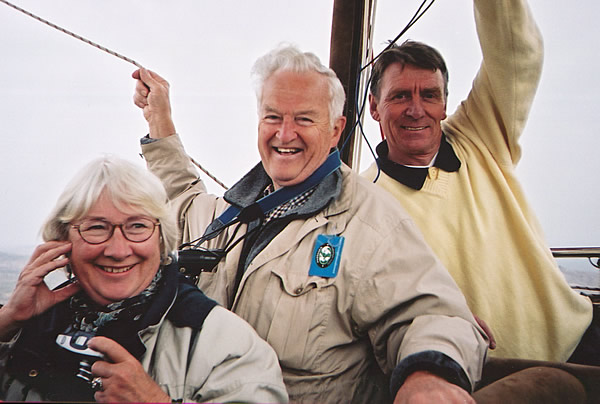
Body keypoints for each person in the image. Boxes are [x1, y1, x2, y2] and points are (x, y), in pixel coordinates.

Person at [131, 45, 488, 403]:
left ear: (335, 131)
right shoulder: (231, 214)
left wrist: (428, 377)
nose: (285, 134)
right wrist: (159, 122)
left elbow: (429, 314)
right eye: (272, 117)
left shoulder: (371, 222)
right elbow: (181, 202)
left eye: (303, 119)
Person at [363, 0, 598, 364]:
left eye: (429, 95)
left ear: (444, 105)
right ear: (375, 107)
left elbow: (515, 52)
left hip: (581, 340)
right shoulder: (363, 200)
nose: (416, 109)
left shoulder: (481, 136)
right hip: (484, 374)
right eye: (399, 96)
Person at [0, 156, 288, 403]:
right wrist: (9, 320)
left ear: (162, 239)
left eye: (137, 226)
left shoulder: (223, 344)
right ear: (63, 240)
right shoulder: (25, 325)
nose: (117, 250)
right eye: (97, 228)